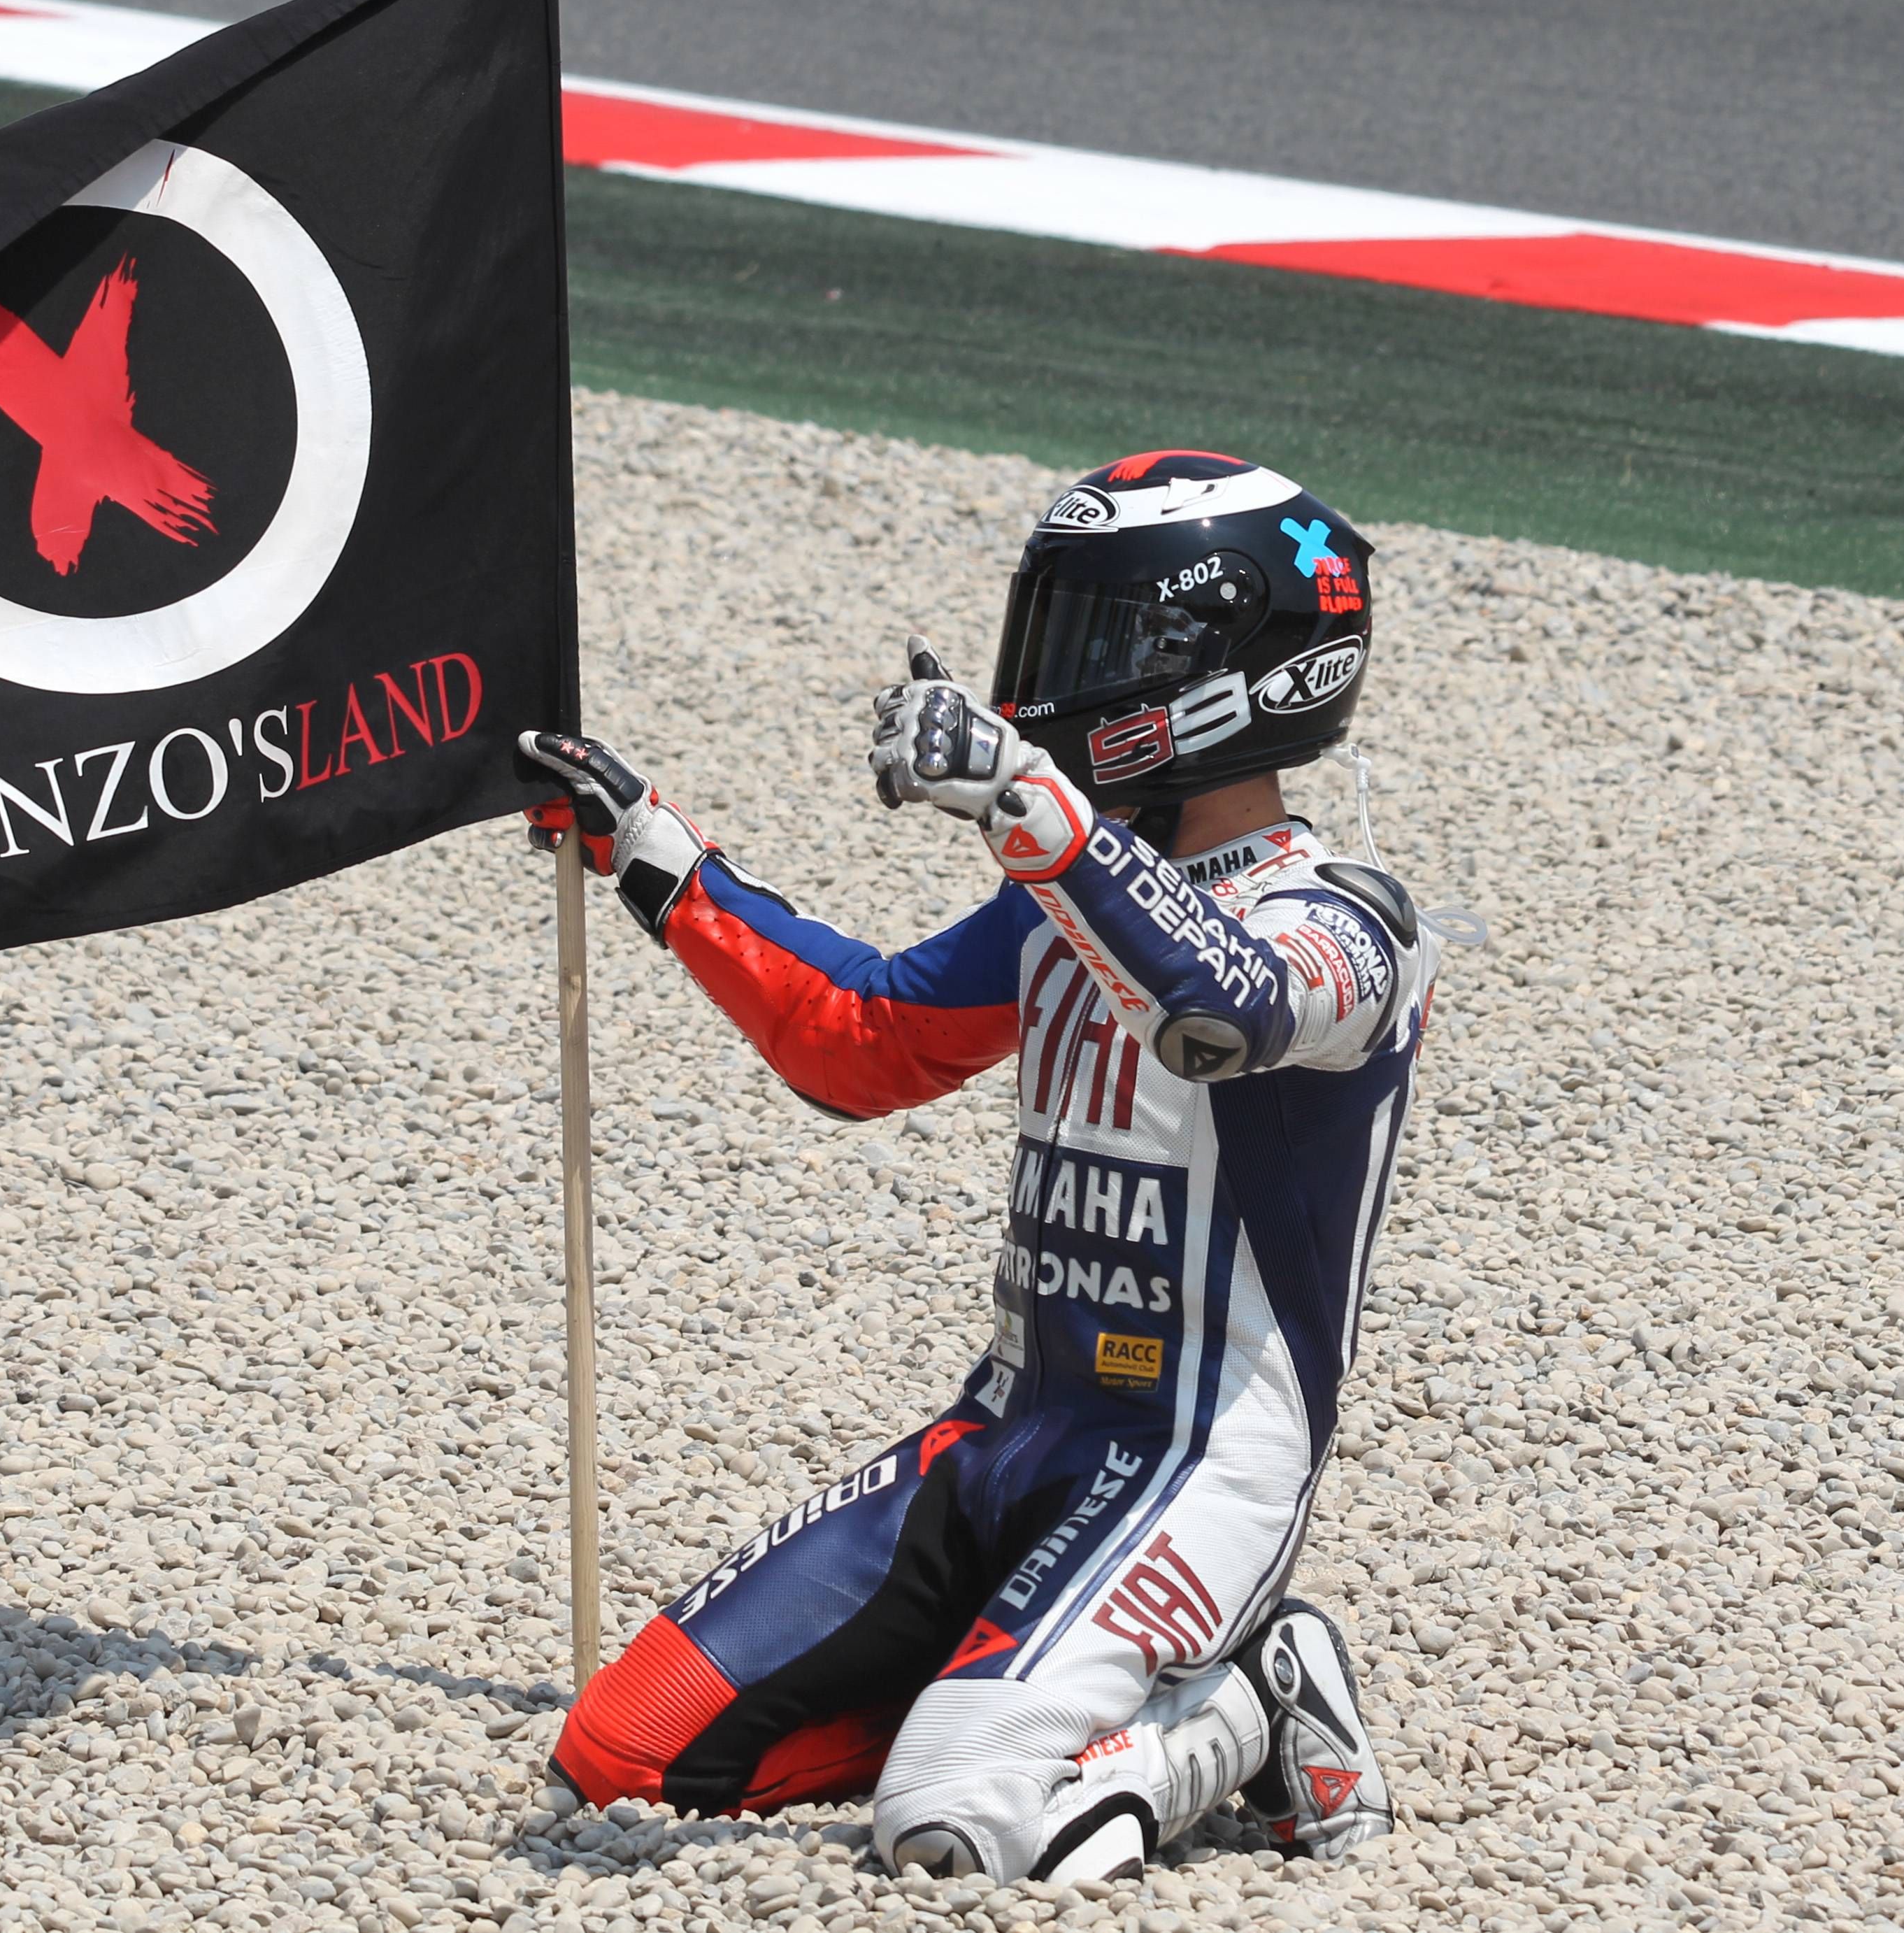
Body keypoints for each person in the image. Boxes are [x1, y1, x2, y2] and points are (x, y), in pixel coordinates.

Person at [519, 450, 1438, 1885]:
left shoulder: (1355, 921)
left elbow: (1234, 1005)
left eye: (1103, 643)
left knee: (957, 1829)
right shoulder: (1068, 894)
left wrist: (1030, 806)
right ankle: (1034, 1676)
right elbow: (856, 1042)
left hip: (1193, 1466)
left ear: (1227, 676)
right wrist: (653, 856)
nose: (1051, 686)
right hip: (1007, 1438)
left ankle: (1249, 1708)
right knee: (624, 1754)